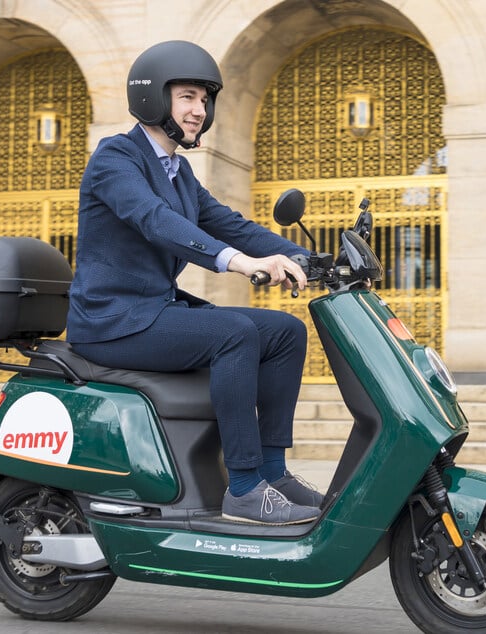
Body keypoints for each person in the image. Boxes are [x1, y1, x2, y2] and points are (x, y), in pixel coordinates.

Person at [66, 40, 322, 525]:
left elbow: (230, 223)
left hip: (154, 313)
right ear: (153, 99)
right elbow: (155, 220)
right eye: (187, 97)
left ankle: (273, 471)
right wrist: (240, 264)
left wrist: (306, 256)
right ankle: (244, 488)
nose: (198, 110)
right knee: (235, 333)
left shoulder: (180, 173)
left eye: (204, 100)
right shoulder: (115, 157)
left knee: (285, 333)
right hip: (111, 322)